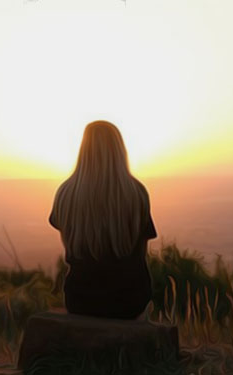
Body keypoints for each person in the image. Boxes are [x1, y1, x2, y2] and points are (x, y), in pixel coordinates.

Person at [49, 120, 157, 320]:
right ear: (119, 150)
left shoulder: (65, 193)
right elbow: (141, 254)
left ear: (83, 149)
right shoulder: (137, 193)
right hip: (130, 300)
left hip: (80, 299)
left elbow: (69, 242)